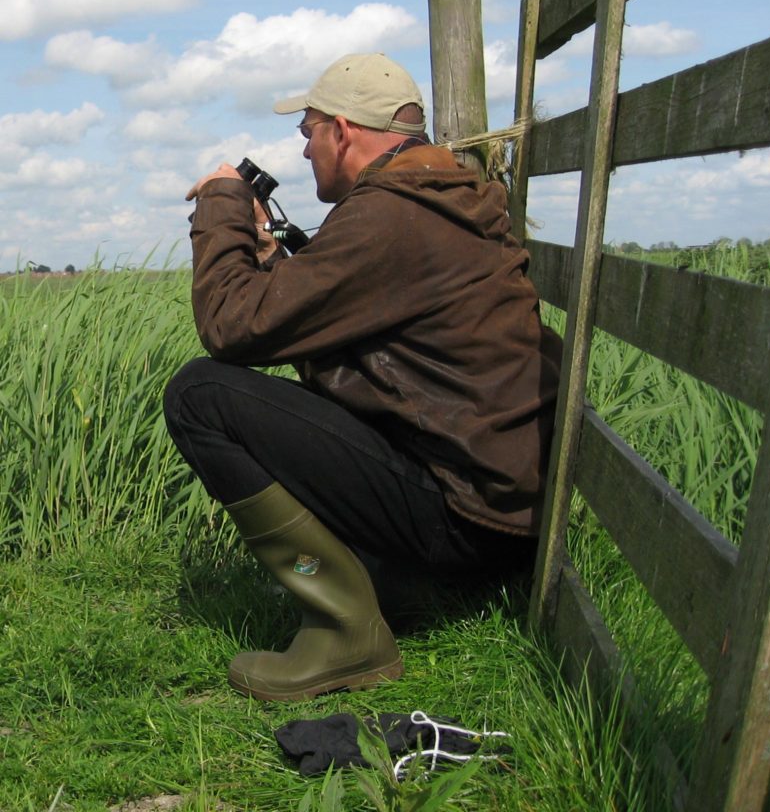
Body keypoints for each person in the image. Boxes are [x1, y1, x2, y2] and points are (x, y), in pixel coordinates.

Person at [163, 52, 562, 704]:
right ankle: (388, 582)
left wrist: (221, 203)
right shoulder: (438, 200)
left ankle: (347, 635)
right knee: (228, 394)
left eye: (308, 133)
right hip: (502, 510)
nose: (304, 152)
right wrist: (271, 255)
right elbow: (339, 327)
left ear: (342, 131)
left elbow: (230, 326)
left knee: (200, 394)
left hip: (467, 519)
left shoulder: (390, 216)